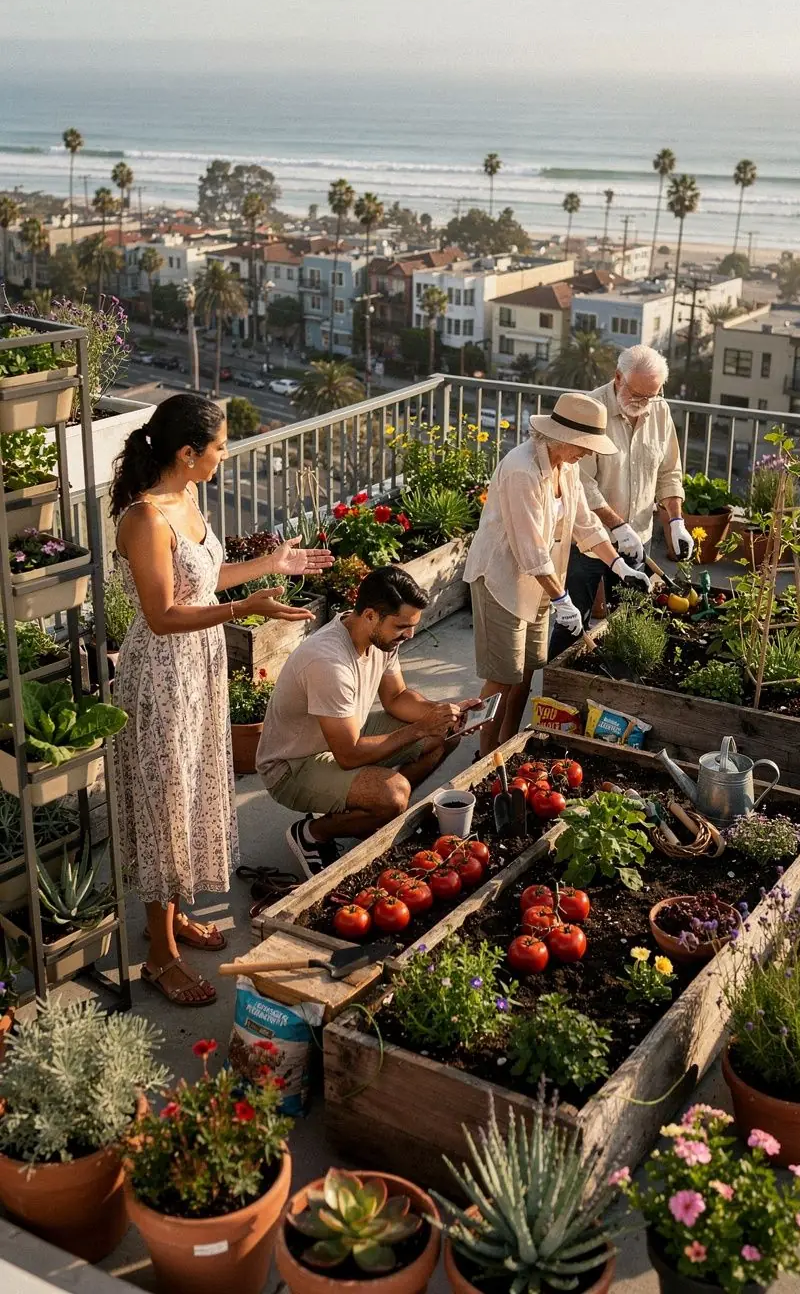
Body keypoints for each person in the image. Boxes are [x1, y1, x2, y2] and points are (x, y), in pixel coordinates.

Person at [111, 393, 332, 1006]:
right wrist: (246, 609)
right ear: (187, 453)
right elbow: (159, 616)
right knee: (165, 806)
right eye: (219, 446)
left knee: (189, 796)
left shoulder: (187, 499)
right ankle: (160, 954)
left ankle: (172, 917)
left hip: (198, 669)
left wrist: (271, 564)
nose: (224, 455)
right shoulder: (145, 518)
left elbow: (205, 580)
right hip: (160, 678)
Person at [257, 565, 481, 878]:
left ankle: (368, 814)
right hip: (293, 765)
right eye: (402, 626)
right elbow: (348, 755)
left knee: (443, 734)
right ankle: (313, 834)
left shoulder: (381, 638)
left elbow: (397, 697)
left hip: (344, 734)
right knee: (393, 795)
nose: (410, 634)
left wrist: (443, 712)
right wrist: (420, 728)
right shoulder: (328, 661)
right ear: (371, 616)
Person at [464, 390, 652, 754]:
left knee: (529, 668)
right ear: (562, 437)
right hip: (502, 579)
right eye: (586, 444)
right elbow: (529, 548)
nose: (590, 452)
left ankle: (508, 743)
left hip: (539, 584)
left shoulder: (566, 467)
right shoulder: (521, 470)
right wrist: (563, 599)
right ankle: (483, 755)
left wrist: (618, 564)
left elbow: (585, 524)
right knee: (503, 676)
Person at [549, 345, 689, 659]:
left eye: (650, 395)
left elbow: (670, 471)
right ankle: (554, 689)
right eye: (637, 394)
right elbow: (582, 484)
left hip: (637, 539)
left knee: (629, 618)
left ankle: (616, 687)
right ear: (617, 377)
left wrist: (677, 521)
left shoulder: (660, 410)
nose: (643, 403)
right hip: (586, 541)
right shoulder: (590, 410)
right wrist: (617, 526)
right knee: (573, 623)